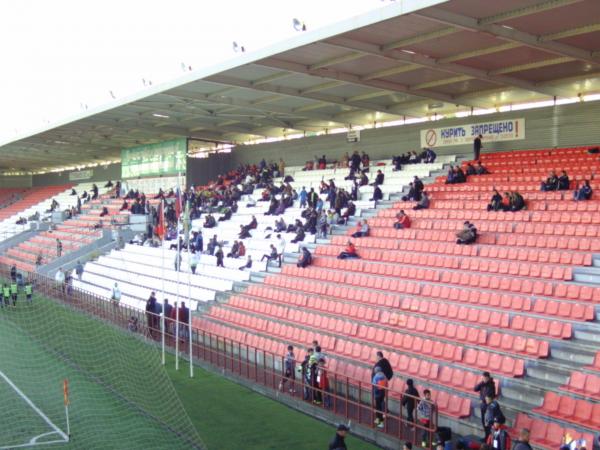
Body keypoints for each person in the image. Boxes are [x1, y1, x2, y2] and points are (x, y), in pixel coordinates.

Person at [475, 371, 497, 438]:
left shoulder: (491, 385)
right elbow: (475, 389)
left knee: (488, 423)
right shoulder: (482, 384)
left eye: (485, 378)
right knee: (483, 422)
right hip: (483, 406)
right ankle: (486, 436)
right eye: (483, 378)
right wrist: (481, 383)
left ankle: (489, 437)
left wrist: (483, 400)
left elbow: (490, 396)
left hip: (488, 407)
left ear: (488, 378)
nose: (484, 379)